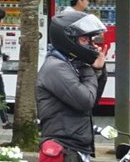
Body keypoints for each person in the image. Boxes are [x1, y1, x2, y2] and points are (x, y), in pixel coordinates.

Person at [36, 9, 110, 162]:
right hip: (63, 149)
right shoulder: (56, 68)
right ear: (68, 39)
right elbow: (85, 101)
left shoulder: (70, 64)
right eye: (85, 40)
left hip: (75, 148)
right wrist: (89, 68)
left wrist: (98, 71)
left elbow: (93, 100)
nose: (91, 45)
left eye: (91, 40)